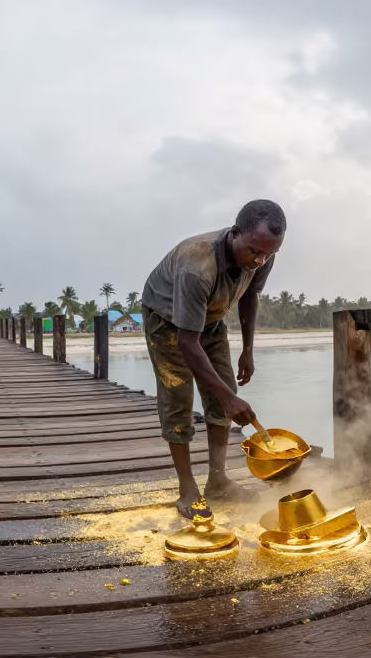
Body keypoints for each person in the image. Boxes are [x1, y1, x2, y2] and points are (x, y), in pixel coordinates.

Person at [141, 199, 286, 517]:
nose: (259, 260)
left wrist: (248, 350)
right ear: (236, 233)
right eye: (253, 251)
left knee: (223, 397)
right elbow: (187, 343)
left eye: (268, 254)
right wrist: (229, 398)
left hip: (209, 320)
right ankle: (187, 488)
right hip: (166, 320)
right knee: (178, 398)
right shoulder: (198, 265)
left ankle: (218, 480)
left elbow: (250, 295)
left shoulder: (263, 252)